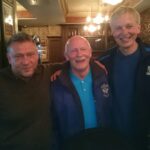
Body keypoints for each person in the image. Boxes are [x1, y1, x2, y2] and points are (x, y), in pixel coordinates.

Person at [98, 6, 150, 150]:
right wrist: (62, 70)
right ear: (112, 32)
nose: (124, 32)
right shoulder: (103, 60)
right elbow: (79, 63)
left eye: (129, 26)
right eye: (118, 28)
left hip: (143, 137)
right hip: (112, 136)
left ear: (138, 28)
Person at [0, 32, 61, 150]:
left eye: (30, 54)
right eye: (18, 56)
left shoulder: (45, 72)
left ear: (37, 55)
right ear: (9, 58)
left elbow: (75, 63)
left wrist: (95, 65)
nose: (26, 62)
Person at [51, 35, 112, 149]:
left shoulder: (104, 75)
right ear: (66, 56)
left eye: (83, 49)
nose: (79, 54)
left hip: (103, 142)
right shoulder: (56, 84)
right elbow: (53, 123)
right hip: (72, 144)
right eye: (73, 51)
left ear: (90, 52)